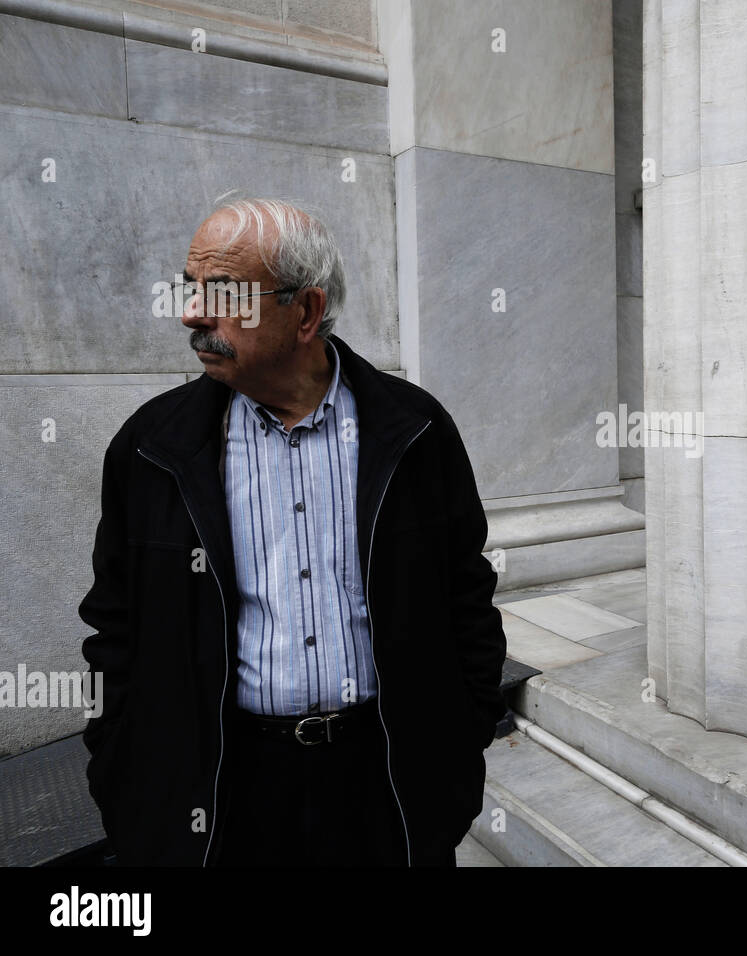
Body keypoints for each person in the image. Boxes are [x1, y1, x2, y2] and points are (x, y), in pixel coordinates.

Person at [79, 197, 507, 866]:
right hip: (225, 787)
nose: (191, 313)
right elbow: (115, 630)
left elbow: (466, 597)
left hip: (381, 780)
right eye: (191, 290)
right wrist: (125, 774)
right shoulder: (151, 448)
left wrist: (459, 741)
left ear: (305, 312)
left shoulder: (414, 431)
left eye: (221, 293)